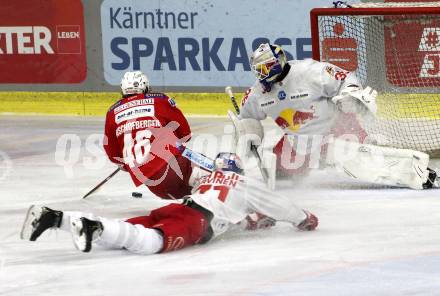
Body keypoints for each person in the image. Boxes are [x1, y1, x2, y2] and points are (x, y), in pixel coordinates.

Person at [231, 43, 438, 189]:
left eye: (267, 66)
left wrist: (350, 93)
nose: (263, 73)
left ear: (279, 61)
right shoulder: (257, 93)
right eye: (259, 69)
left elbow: (345, 78)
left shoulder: (309, 71)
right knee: (281, 172)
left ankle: (418, 173)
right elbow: (247, 118)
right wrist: (248, 134)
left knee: (370, 159)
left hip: (336, 129)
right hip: (298, 142)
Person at [20, 153, 318, 254]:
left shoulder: (206, 180)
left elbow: (232, 214)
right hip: (196, 221)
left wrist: (253, 221)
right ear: (238, 171)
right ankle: (91, 225)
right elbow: (281, 205)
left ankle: (55, 217)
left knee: (120, 235)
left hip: (178, 208)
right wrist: (304, 217)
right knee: (150, 243)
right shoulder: (245, 183)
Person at [104, 71, 202, 200]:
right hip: (172, 167)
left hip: (155, 186)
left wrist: (127, 164)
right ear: (145, 87)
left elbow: (114, 155)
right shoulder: (159, 100)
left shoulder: (112, 112)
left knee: (188, 195)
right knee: (214, 178)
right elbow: (186, 134)